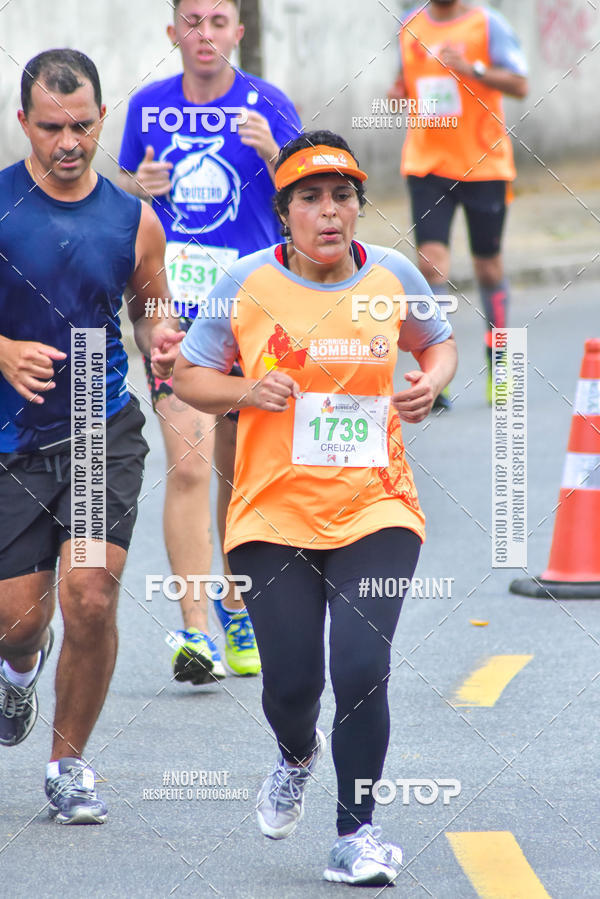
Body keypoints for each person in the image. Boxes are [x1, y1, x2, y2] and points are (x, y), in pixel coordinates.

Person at [173, 130, 457, 885]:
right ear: (284, 212)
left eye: (342, 197)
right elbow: (187, 378)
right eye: (310, 198)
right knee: (292, 685)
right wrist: (244, 390)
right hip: (270, 516)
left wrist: (430, 380)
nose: (328, 213)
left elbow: (438, 342)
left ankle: (356, 830)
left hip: (378, 507)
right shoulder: (245, 283)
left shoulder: (393, 275)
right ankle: (296, 753)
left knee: (362, 666)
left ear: (360, 207)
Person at [0, 49, 181, 824]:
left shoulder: (134, 217)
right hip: (10, 437)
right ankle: (17, 670)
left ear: (102, 118)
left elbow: (149, 309)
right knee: (19, 619)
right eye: (51, 127)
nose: (68, 142)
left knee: (91, 596)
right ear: (22, 124)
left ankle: (69, 764)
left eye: (81, 125)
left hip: (98, 420)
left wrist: (164, 338)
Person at [118, 0, 301, 681]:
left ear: (238, 32)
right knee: (189, 463)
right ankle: (195, 630)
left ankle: (238, 604)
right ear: (173, 32)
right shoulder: (147, 107)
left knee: (239, 469)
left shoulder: (269, 104)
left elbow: (311, 200)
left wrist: (278, 156)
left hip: (251, 313)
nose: (205, 34)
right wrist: (135, 184)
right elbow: (126, 199)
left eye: (218, 21)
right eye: (192, 21)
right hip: (173, 307)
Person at [389, 0, 528, 407]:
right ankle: (436, 374)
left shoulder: (488, 23)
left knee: (488, 267)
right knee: (430, 264)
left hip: (484, 165)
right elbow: (404, 83)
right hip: (427, 165)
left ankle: (500, 363)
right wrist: (398, 93)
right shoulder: (409, 24)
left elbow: (520, 84)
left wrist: (474, 70)